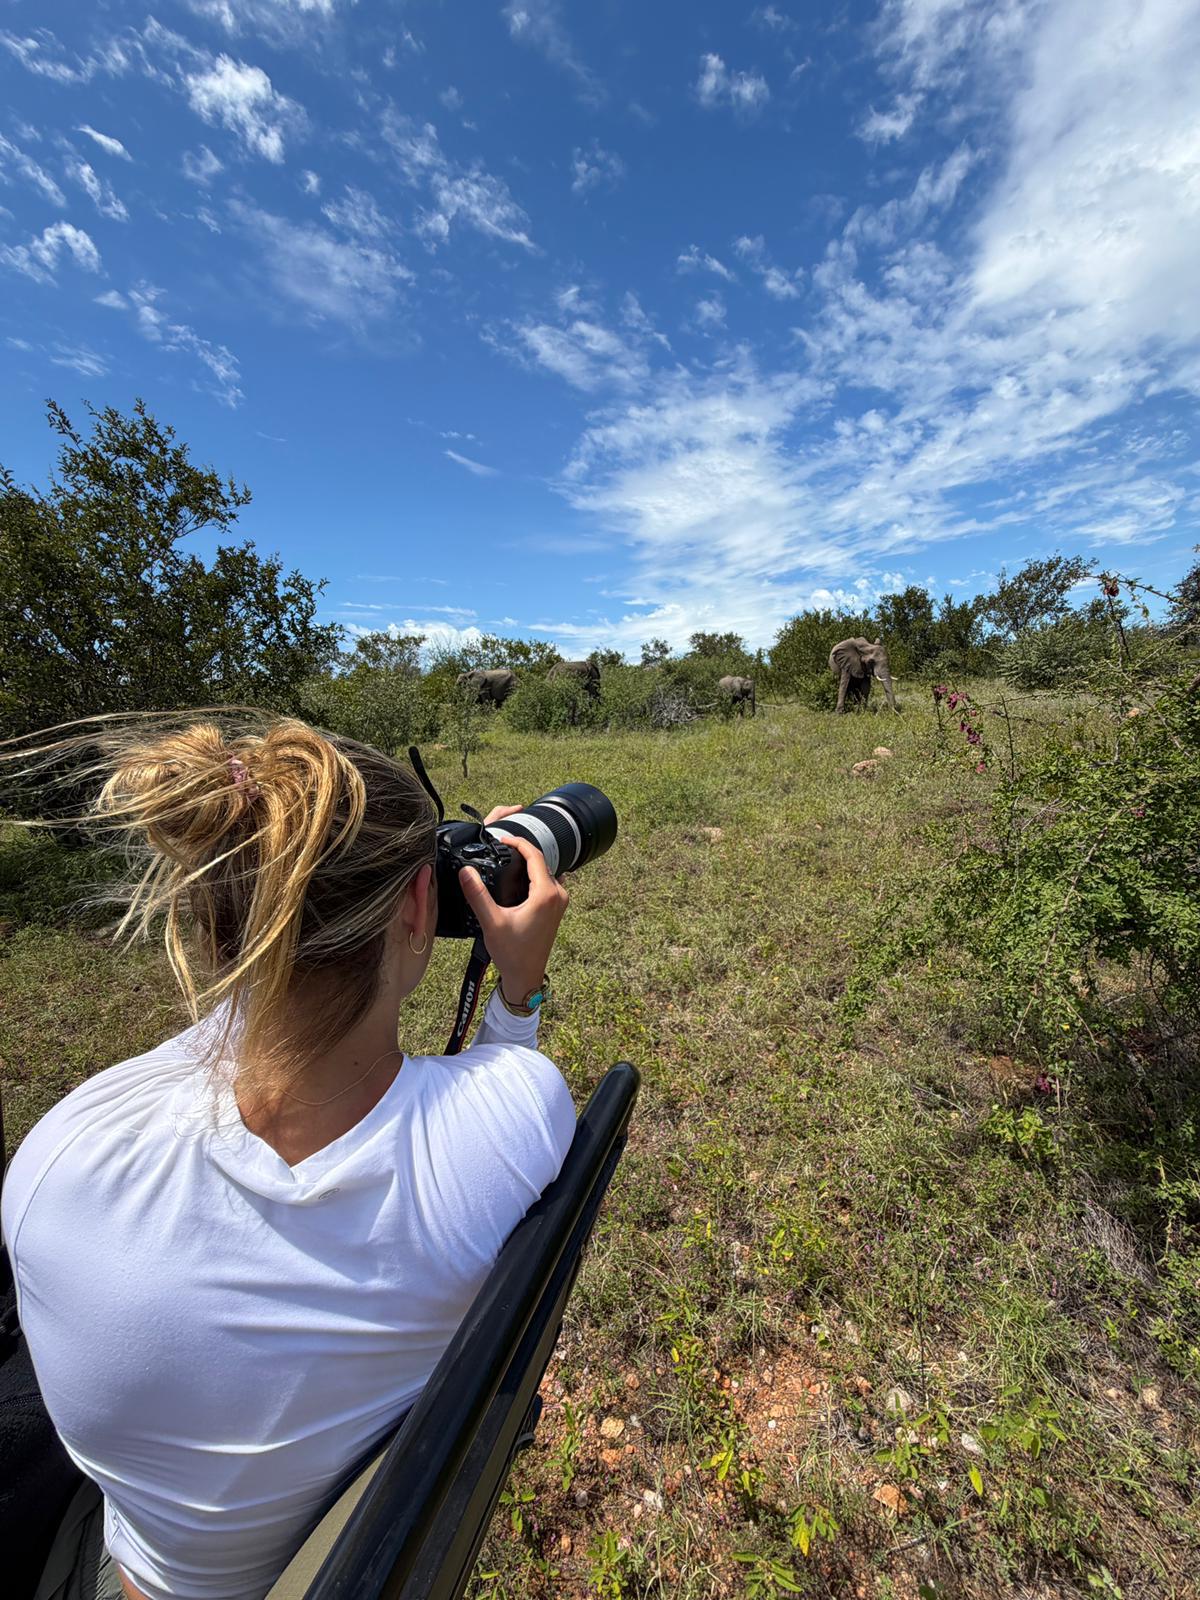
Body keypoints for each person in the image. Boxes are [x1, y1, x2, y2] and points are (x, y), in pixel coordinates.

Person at [1, 714, 575, 1600]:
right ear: (420, 908)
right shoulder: (515, 1121)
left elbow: (230, 1031)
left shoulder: (59, 1161)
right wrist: (518, 984)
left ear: (206, 916)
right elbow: (507, 1073)